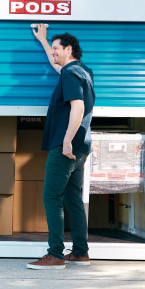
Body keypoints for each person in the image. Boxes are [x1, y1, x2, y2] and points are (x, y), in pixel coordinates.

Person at [27, 24, 95, 270]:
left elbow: (77, 107)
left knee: (51, 197)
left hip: (67, 146)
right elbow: (57, 65)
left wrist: (66, 139)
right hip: (82, 146)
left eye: (57, 48)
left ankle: (55, 254)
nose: (53, 52)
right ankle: (80, 252)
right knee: (73, 199)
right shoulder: (82, 71)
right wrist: (44, 41)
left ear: (68, 49)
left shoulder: (70, 74)